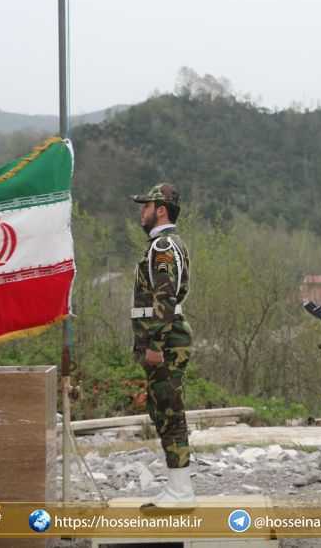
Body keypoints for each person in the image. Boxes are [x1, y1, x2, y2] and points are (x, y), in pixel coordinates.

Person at [130, 183, 195, 508]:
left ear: (161, 209)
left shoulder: (163, 246)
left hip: (166, 340)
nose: (141, 211)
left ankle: (181, 492)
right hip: (167, 337)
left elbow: (164, 297)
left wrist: (154, 344)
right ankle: (176, 486)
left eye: (145, 205)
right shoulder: (165, 244)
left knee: (169, 412)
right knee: (164, 411)